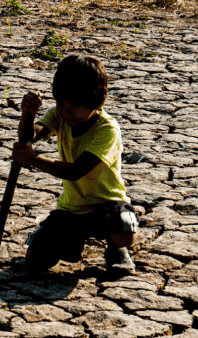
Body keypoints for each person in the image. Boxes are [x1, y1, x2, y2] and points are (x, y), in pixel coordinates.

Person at [11, 54, 138, 275]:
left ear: (97, 102)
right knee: (35, 260)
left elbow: (77, 171)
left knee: (123, 233)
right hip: (72, 209)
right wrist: (28, 114)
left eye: (75, 105)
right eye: (60, 103)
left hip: (106, 205)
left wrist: (33, 160)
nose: (66, 110)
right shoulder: (59, 116)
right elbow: (29, 137)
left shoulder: (107, 130)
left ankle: (116, 248)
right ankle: (73, 243)